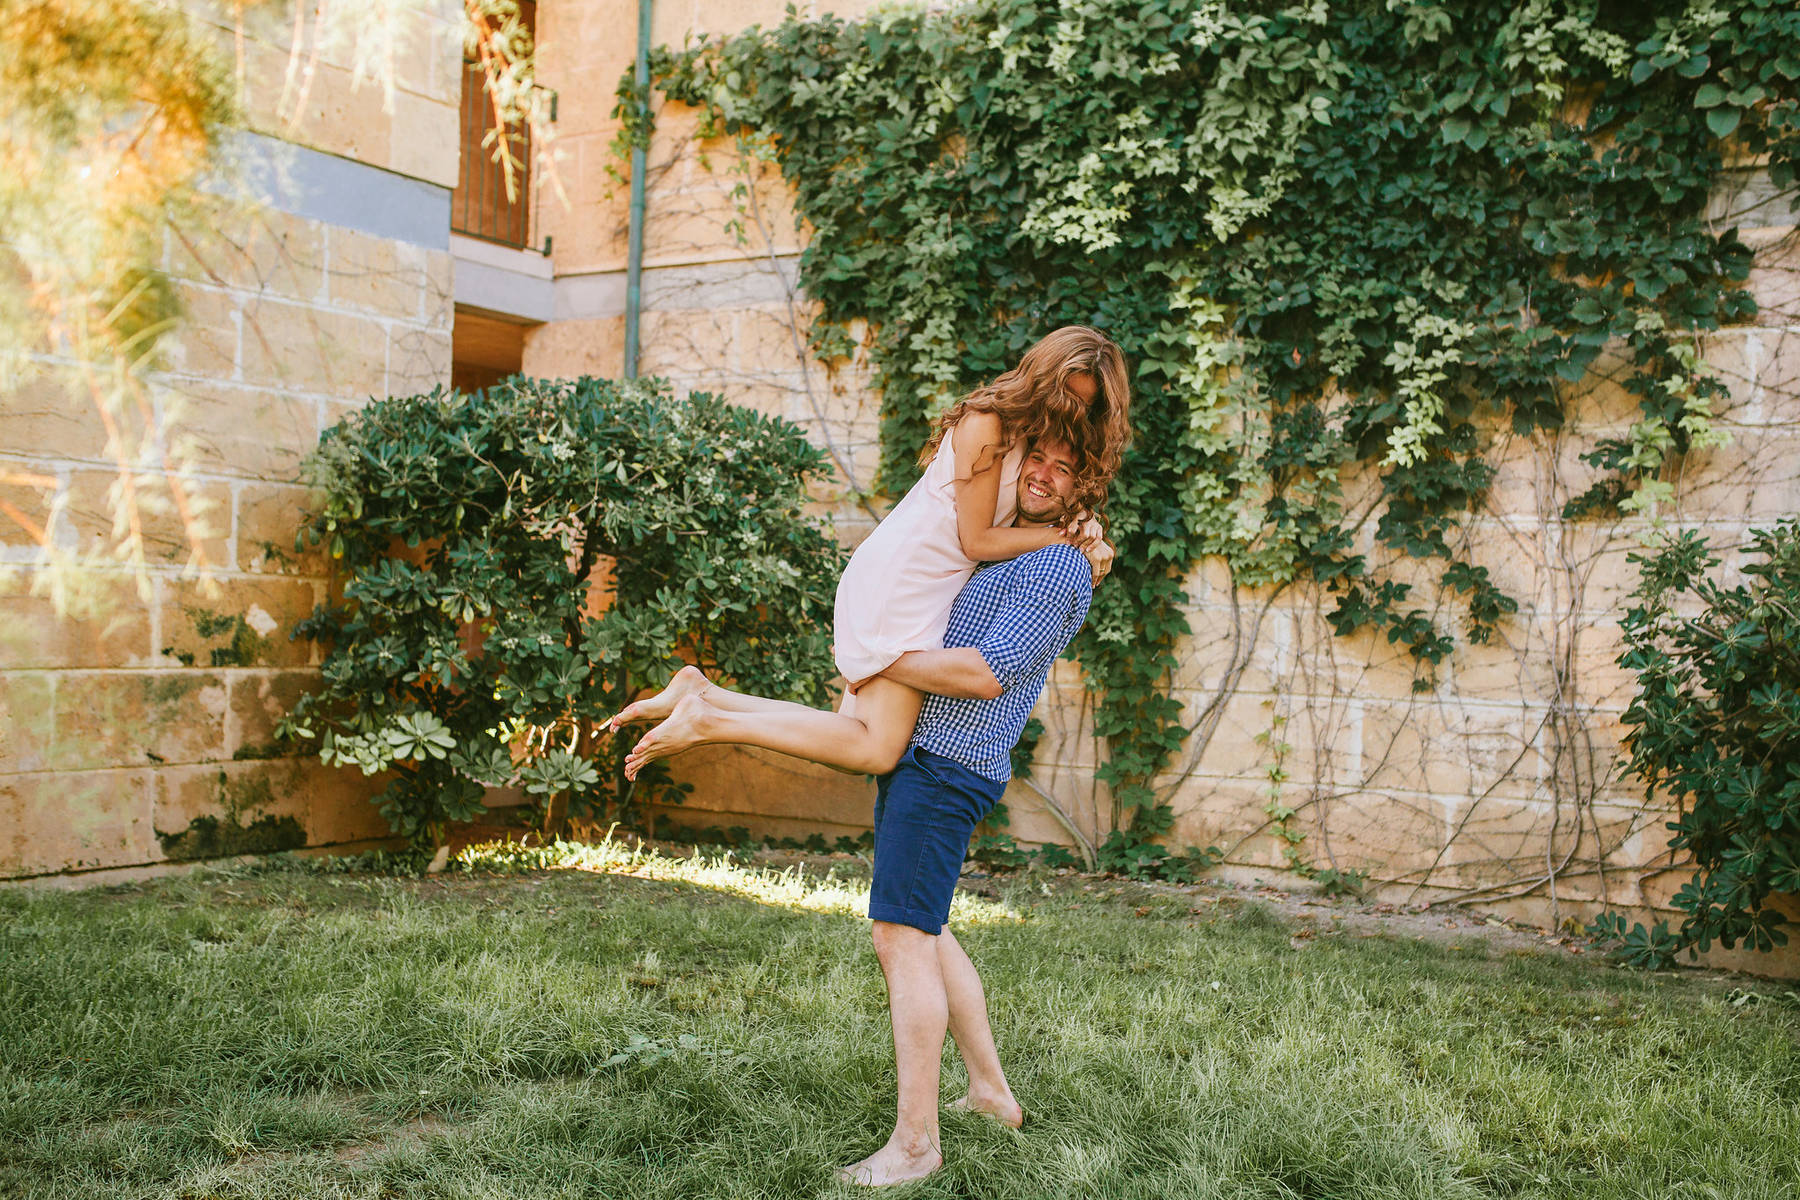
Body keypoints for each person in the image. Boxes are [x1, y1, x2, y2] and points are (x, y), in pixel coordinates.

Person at [606, 325, 1130, 779]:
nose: (1069, 411)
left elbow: (1021, 525)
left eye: (1083, 406)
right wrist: (1071, 538)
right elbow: (979, 542)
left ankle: (705, 697)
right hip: (905, 578)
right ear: (1040, 377)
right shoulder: (988, 425)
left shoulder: (1031, 439)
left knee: (858, 735)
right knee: (878, 748)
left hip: (931, 582)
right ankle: (708, 719)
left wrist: (1084, 526)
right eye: (1064, 396)